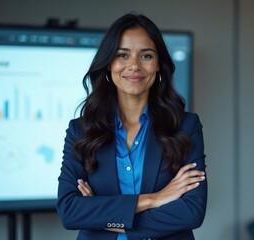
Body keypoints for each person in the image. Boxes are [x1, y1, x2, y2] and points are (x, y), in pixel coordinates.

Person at [57, 13, 207, 240]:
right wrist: (155, 199)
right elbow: (69, 211)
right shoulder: (81, 131)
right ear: (108, 64)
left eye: (146, 55)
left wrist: (102, 216)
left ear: (158, 65)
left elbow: (191, 213)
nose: (134, 66)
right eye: (122, 55)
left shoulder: (185, 127)